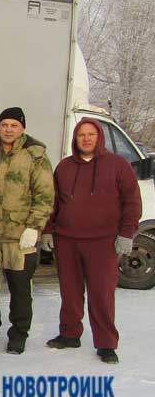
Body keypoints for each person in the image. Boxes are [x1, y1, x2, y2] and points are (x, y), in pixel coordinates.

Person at [42, 118, 141, 364]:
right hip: (67, 239)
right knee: (70, 291)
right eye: (81, 135)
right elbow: (52, 203)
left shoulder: (118, 165)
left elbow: (132, 201)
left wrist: (126, 234)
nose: (86, 139)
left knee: (102, 294)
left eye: (91, 134)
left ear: (99, 138)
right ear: (75, 139)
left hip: (103, 242)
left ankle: (106, 343)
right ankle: (70, 334)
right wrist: (47, 229)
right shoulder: (64, 167)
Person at [0, 107, 54, 354]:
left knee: (19, 288)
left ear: (22, 128)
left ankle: (18, 333)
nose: (8, 129)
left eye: (14, 125)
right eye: (4, 124)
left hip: (19, 238)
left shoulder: (35, 157)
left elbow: (45, 196)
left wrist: (34, 227)